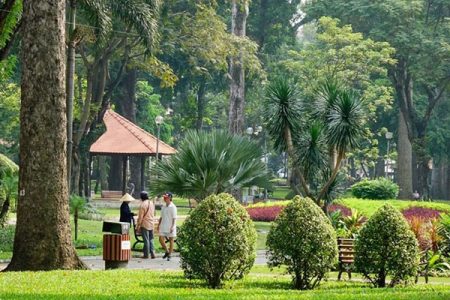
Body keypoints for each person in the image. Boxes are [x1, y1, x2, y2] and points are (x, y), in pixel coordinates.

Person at [157, 192, 177, 261]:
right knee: (160, 239)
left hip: (170, 226)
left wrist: (172, 226)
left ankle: (170, 255)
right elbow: (161, 217)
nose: (164, 198)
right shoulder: (163, 206)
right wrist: (159, 225)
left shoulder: (173, 207)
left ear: (170, 198)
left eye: (166, 197)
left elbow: (174, 218)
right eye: (164, 197)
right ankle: (167, 251)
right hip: (163, 225)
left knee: (171, 240)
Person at [136, 191, 155, 259]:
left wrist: (138, 226)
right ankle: (153, 253)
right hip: (151, 223)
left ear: (141, 197)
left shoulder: (143, 205)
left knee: (146, 240)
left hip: (145, 224)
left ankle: (146, 255)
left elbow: (140, 217)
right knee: (151, 239)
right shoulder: (151, 203)